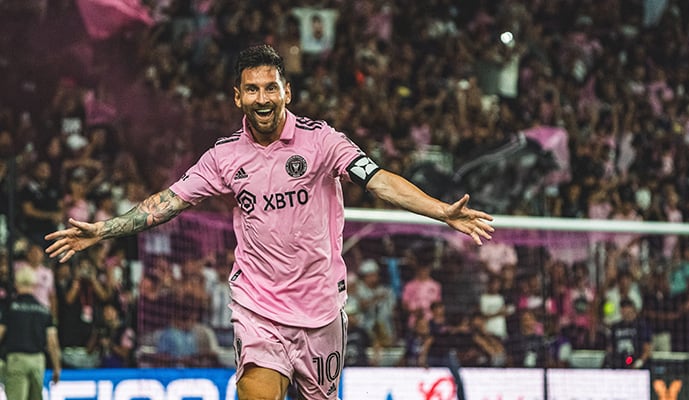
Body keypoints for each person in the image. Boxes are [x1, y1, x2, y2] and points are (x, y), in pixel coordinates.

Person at [44, 44, 494, 400]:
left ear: (286, 91)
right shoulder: (224, 156)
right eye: (253, 89)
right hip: (259, 306)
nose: (263, 98)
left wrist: (440, 210)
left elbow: (377, 180)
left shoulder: (323, 142)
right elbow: (167, 202)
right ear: (239, 96)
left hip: (321, 309)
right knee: (257, 392)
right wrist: (102, 230)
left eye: (270, 88)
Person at [0, 267, 61, 400]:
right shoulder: (44, 310)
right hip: (38, 360)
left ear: (16, 284)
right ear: (34, 285)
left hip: (16, 359)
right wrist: (57, 367)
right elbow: (52, 342)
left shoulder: (10, 308)